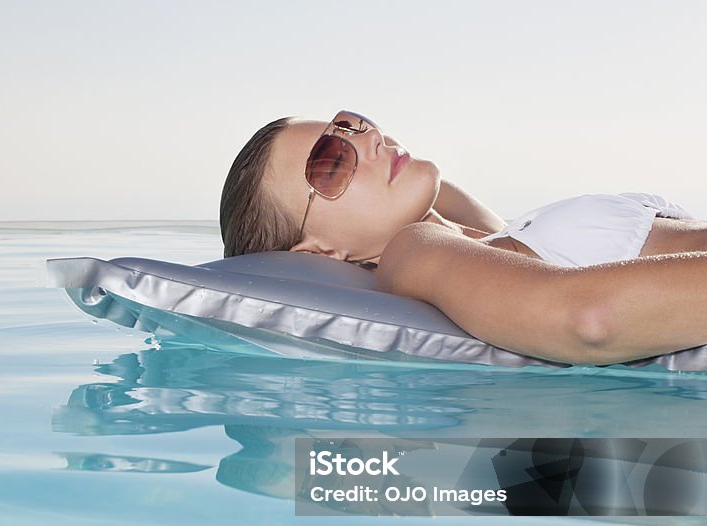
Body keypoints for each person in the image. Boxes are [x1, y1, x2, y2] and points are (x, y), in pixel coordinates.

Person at [220, 112, 707, 366]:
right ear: (321, 251)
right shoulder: (414, 250)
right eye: (330, 160)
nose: (368, 139)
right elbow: (586, 318)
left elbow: (442, 192)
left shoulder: (484, 238)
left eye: (352, 124)